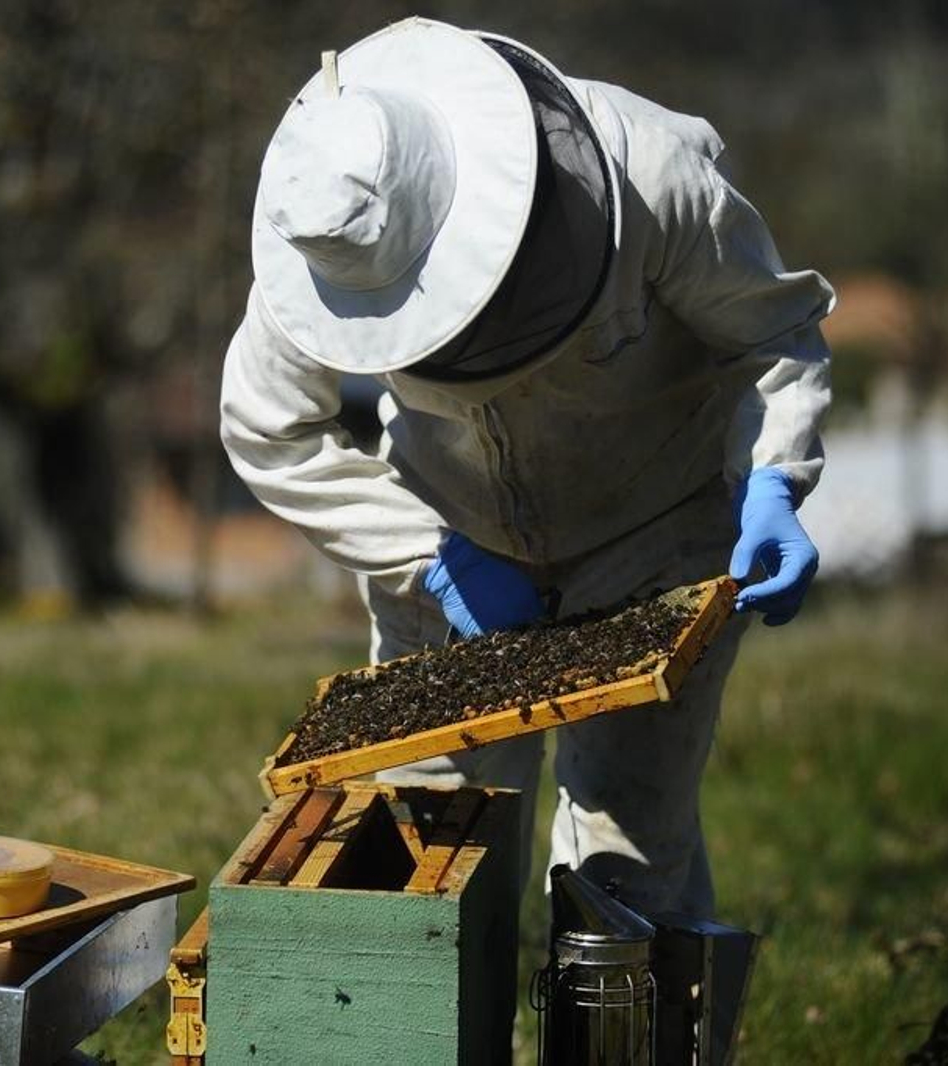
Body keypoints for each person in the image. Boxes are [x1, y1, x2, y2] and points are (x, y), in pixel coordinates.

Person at [219, 17, 830, 918]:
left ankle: (636, 996)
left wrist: (776, 477)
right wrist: (430, 556)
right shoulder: (317, 251)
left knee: (625, 862)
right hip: (449, 534)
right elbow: (266, 426)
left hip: (652, 531)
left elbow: (775, 332)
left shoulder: (652, 174)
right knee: (421, 850)